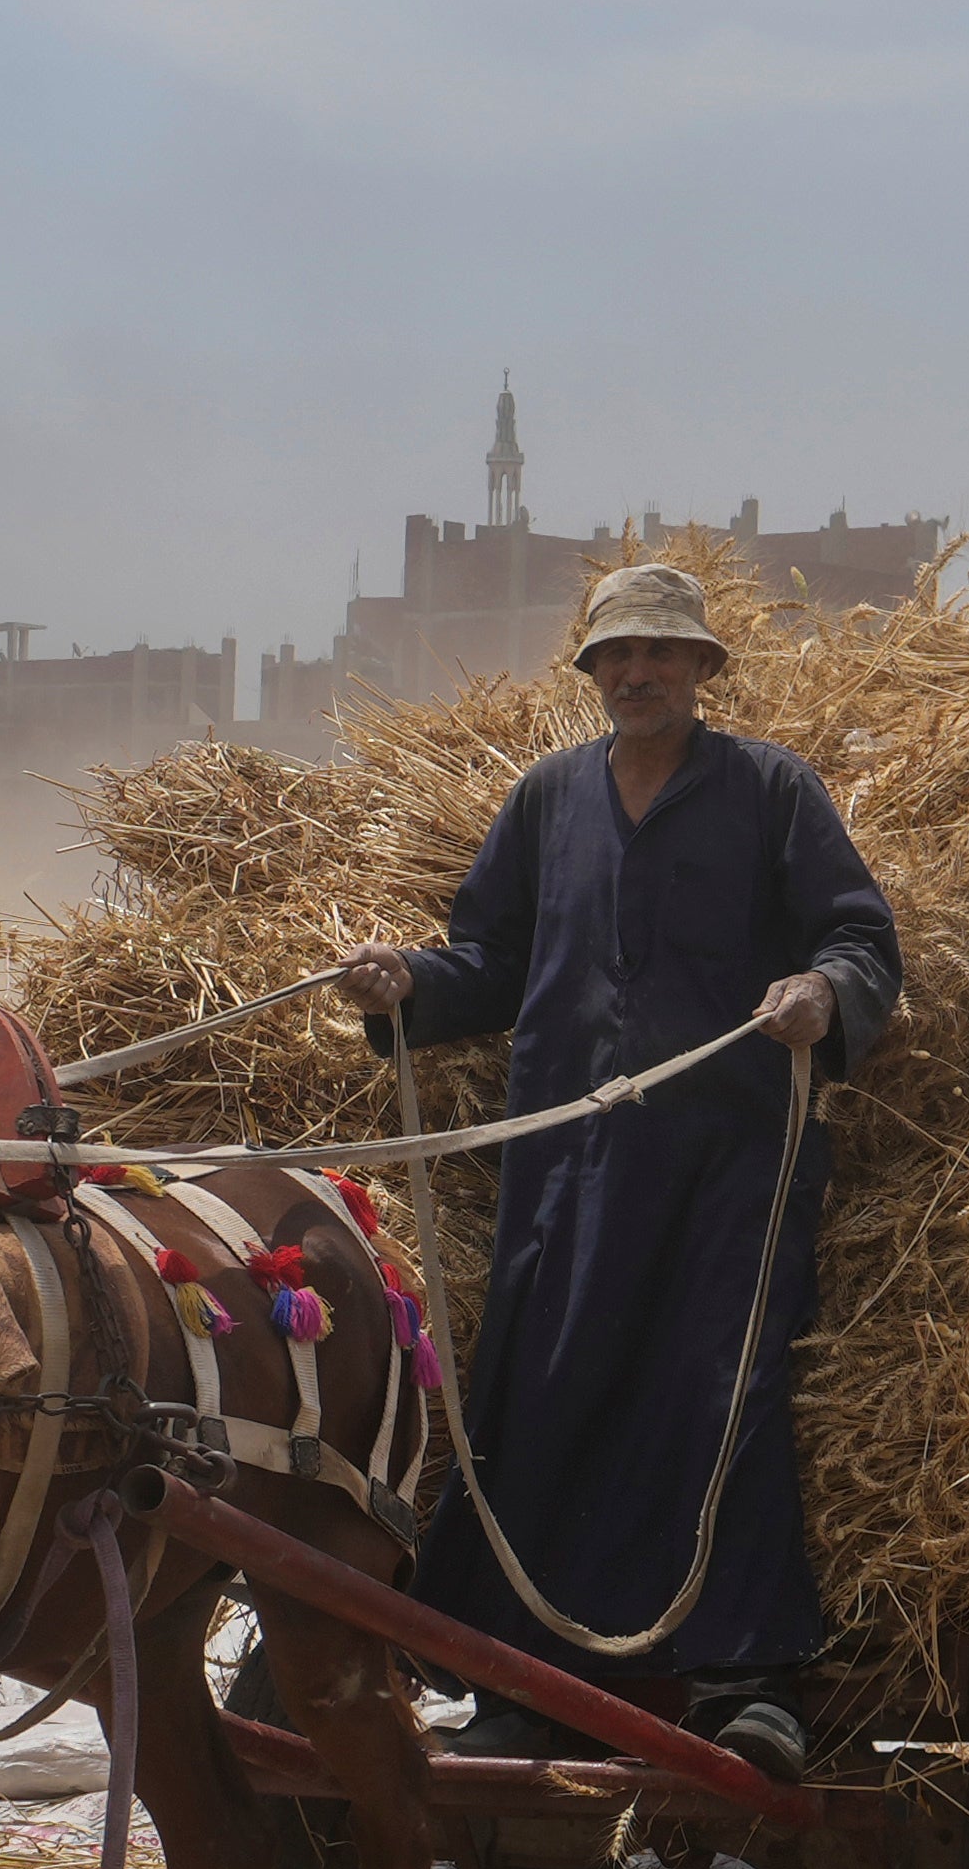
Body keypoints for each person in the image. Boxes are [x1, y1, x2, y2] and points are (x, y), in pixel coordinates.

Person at [330, 561, 900, 1779]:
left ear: (701, 668)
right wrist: (408, 983)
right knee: (541, 1394)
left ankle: (749, 1682)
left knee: (720, 1394)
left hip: (730, 1163)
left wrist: (823, 990)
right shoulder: (549, 799)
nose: (637, 673)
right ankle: (521, 1688)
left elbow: (859, 935)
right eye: (616, 655)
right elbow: (490, 959)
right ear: (591, 672)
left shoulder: (771, 790)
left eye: (660, 653)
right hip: (570, 1166)